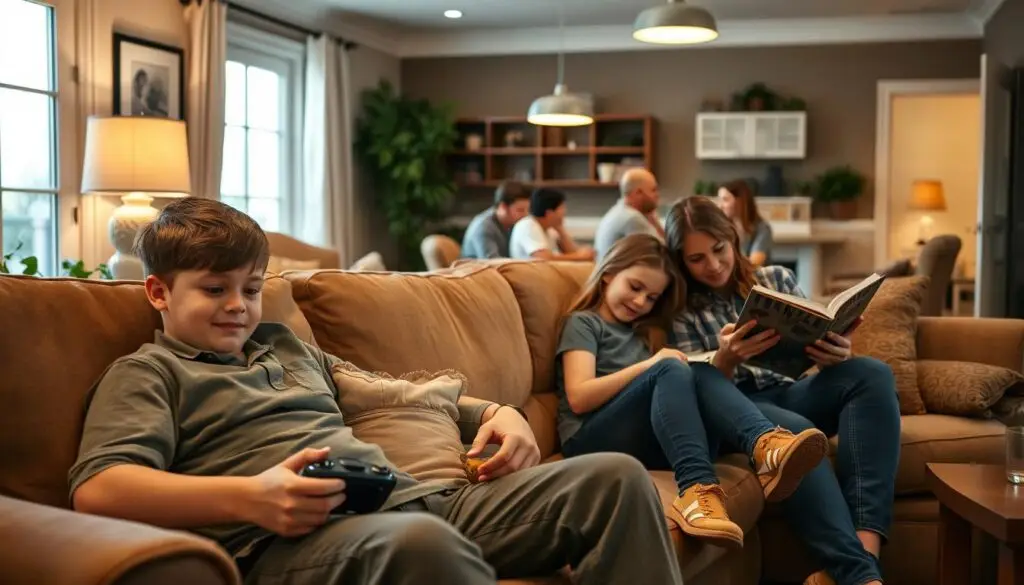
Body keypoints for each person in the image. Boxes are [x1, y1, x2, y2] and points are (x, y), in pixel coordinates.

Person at [68, 198, 684, 585]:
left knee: (615, 477)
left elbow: (393, 391)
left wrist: (498, 413)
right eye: (214, 289)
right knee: (421, 545)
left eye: (251, 289)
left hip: (417, 501)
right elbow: (99, 491)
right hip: (291, 543)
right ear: (158, 292)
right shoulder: (149, 373)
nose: (238, 307)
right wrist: (253, 498)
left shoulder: (284, 345)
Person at [665, 196, 900, 585]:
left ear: (733, 237)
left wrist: (835, 352)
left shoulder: (775, 278)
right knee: (796, 433)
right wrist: (726, 360)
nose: (713, 264)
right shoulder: (679, 307)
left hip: (791, 388)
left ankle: (864, 554)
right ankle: (861, 578)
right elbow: (697, 392)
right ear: (680, 261)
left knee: (871, 373)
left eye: (719, 249)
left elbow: (814, 337)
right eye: (696, 259)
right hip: (740, 411)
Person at [555, 233, 828, 550]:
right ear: (608, 275)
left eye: (652, 297)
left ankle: (766, 446)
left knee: (700, 369)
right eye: (635, 287)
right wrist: (651, 365)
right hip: (588, 439)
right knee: (671, 367)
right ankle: (697, 488)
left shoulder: (644, 331)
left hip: (640, 441)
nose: (641, 302)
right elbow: (579, 396)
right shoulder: (584, 323)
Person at [593, 168, 665, 262]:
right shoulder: (632, 219)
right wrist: (656, 223)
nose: (657, 195)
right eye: (653, 190)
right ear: (638, 193)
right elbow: (665, 253)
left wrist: (652, 219)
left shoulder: (619, 211)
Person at [509, 187, 595, 261]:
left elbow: (571, 251)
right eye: (562, 208)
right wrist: (579, 257)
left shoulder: (549, 228)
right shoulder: (527, 225)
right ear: (549, 213)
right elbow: (544, 259)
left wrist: (560, 229)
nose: (564, 212)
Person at [461, 180, 531, 259]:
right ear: (503, 207)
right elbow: (493, 262)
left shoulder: (512, 224)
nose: (526, 215)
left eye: (527, 210)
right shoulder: (484, 227)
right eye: (520, 210)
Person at [716, 179, 773, 266]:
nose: (720, 206)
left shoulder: (762, 229)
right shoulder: (724, 228)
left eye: (725, 200)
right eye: (720, 200)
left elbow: (754, 265)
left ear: (740, 201)